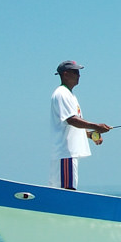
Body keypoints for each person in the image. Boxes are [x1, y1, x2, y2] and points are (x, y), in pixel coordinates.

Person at [50, 60, 111, 190]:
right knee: (66, 191)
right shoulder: (61, 93)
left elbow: (71, 126)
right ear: (65, 74)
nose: (79, 75)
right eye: (75, 72)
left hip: (70, 154)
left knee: (69, 189)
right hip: (65, 153)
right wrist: (96, 126)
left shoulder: (70, 95)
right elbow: (71, 120)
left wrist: (90, 135)